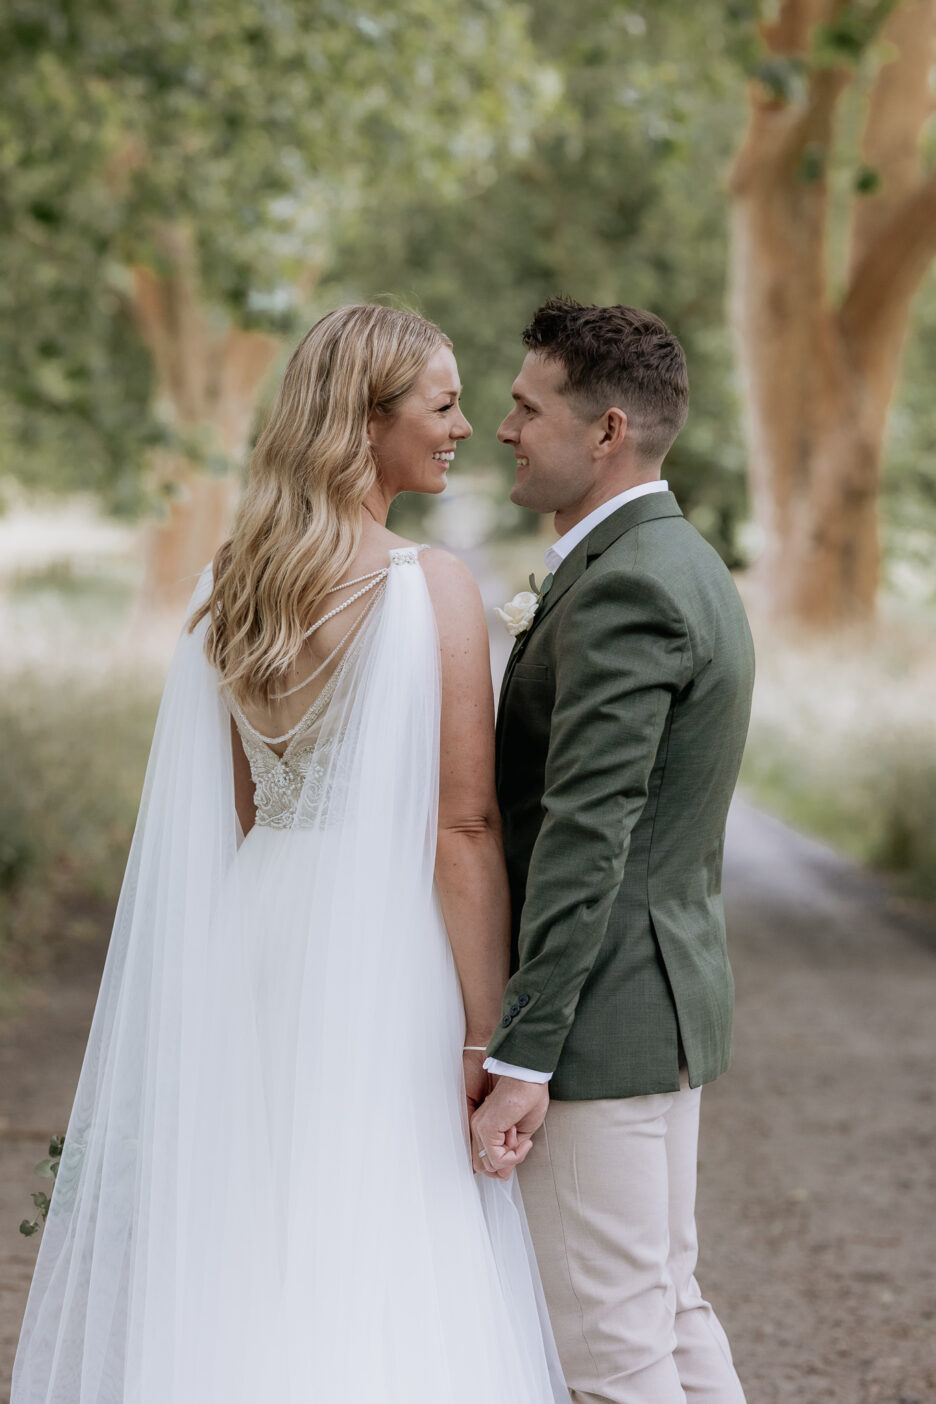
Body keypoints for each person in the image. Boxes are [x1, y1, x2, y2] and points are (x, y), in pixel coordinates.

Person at [12, 305, 567, 1404]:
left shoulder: (233, 585)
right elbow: (462, 829)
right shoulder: (434, 588)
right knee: (383, 1224)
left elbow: (232, 814)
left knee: (253, 1228)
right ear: (367, 422)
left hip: (258, 929)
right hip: (384, 950)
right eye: (442, 404)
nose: (463, 426)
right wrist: (484, 1031)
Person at [471, 297, 754, 1403]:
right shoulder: (663, 560)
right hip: (653, 1010)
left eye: (527, 406)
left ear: (608, 431)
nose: (504, 426)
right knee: (662, 1317)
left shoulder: (631, 585)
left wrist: (523, 1056)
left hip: (603, 1025)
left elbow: (591, 838)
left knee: (608, 1357)